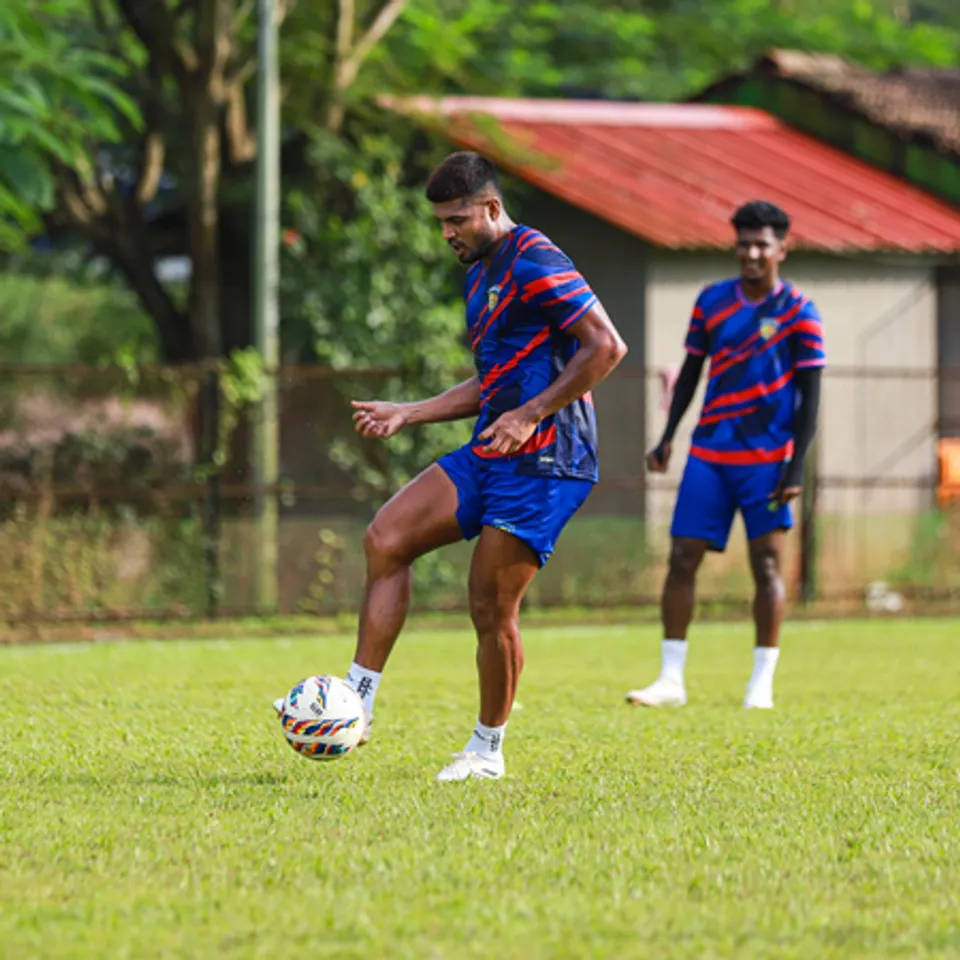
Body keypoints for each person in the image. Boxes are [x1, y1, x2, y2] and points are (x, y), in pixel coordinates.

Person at [293, 150, 627, 781]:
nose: (447, 232)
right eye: (441, 222)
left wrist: (532, 413)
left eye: (457, 219)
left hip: (549, 460)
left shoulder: (536, 259)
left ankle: (486, 751)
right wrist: (409, 413)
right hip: (491, 449)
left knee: (488, 607)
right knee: (387, 537)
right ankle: (355, 707)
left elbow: (606, 346)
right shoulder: (478, 273)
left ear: (491, 208)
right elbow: (492, 380)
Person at [626, 200, 825, 711]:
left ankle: (761, 683)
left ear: (783, 248)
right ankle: (671, 679)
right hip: (710, 455)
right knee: (682, 559)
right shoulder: (712, 301)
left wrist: (796, 463)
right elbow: (691, 373)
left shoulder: (800, 312)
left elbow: (811, 397)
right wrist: (668, 434)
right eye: (744, 243)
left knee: (766, 567)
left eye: (762, 244)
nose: (752, 252)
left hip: (767, 460)